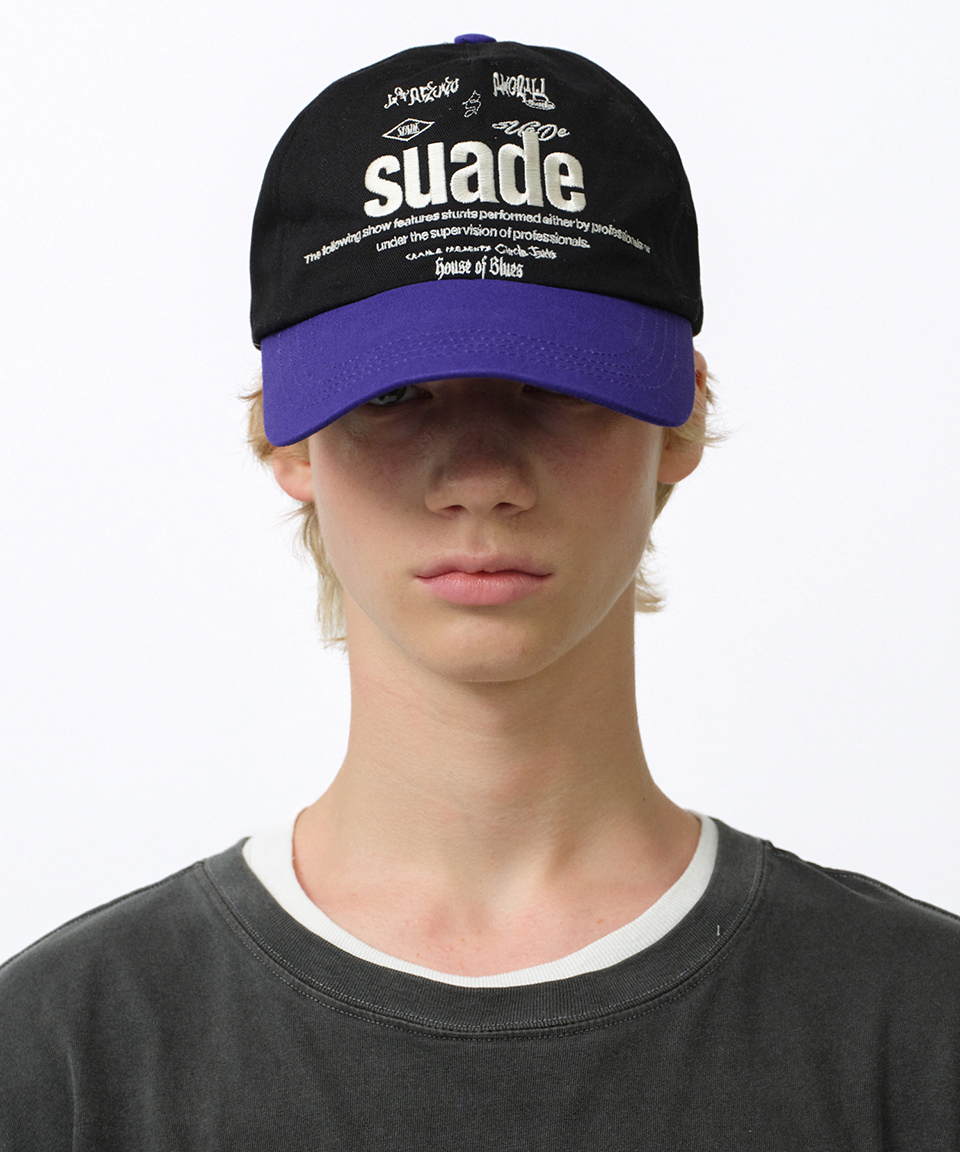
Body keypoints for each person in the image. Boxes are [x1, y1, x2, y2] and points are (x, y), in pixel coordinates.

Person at [1, 34, 958, 1150]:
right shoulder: (68, 1057)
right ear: (286, 435)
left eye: (555, 385)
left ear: (681, 420)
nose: (482, 477)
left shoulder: (918, 1032)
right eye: (394, 395)